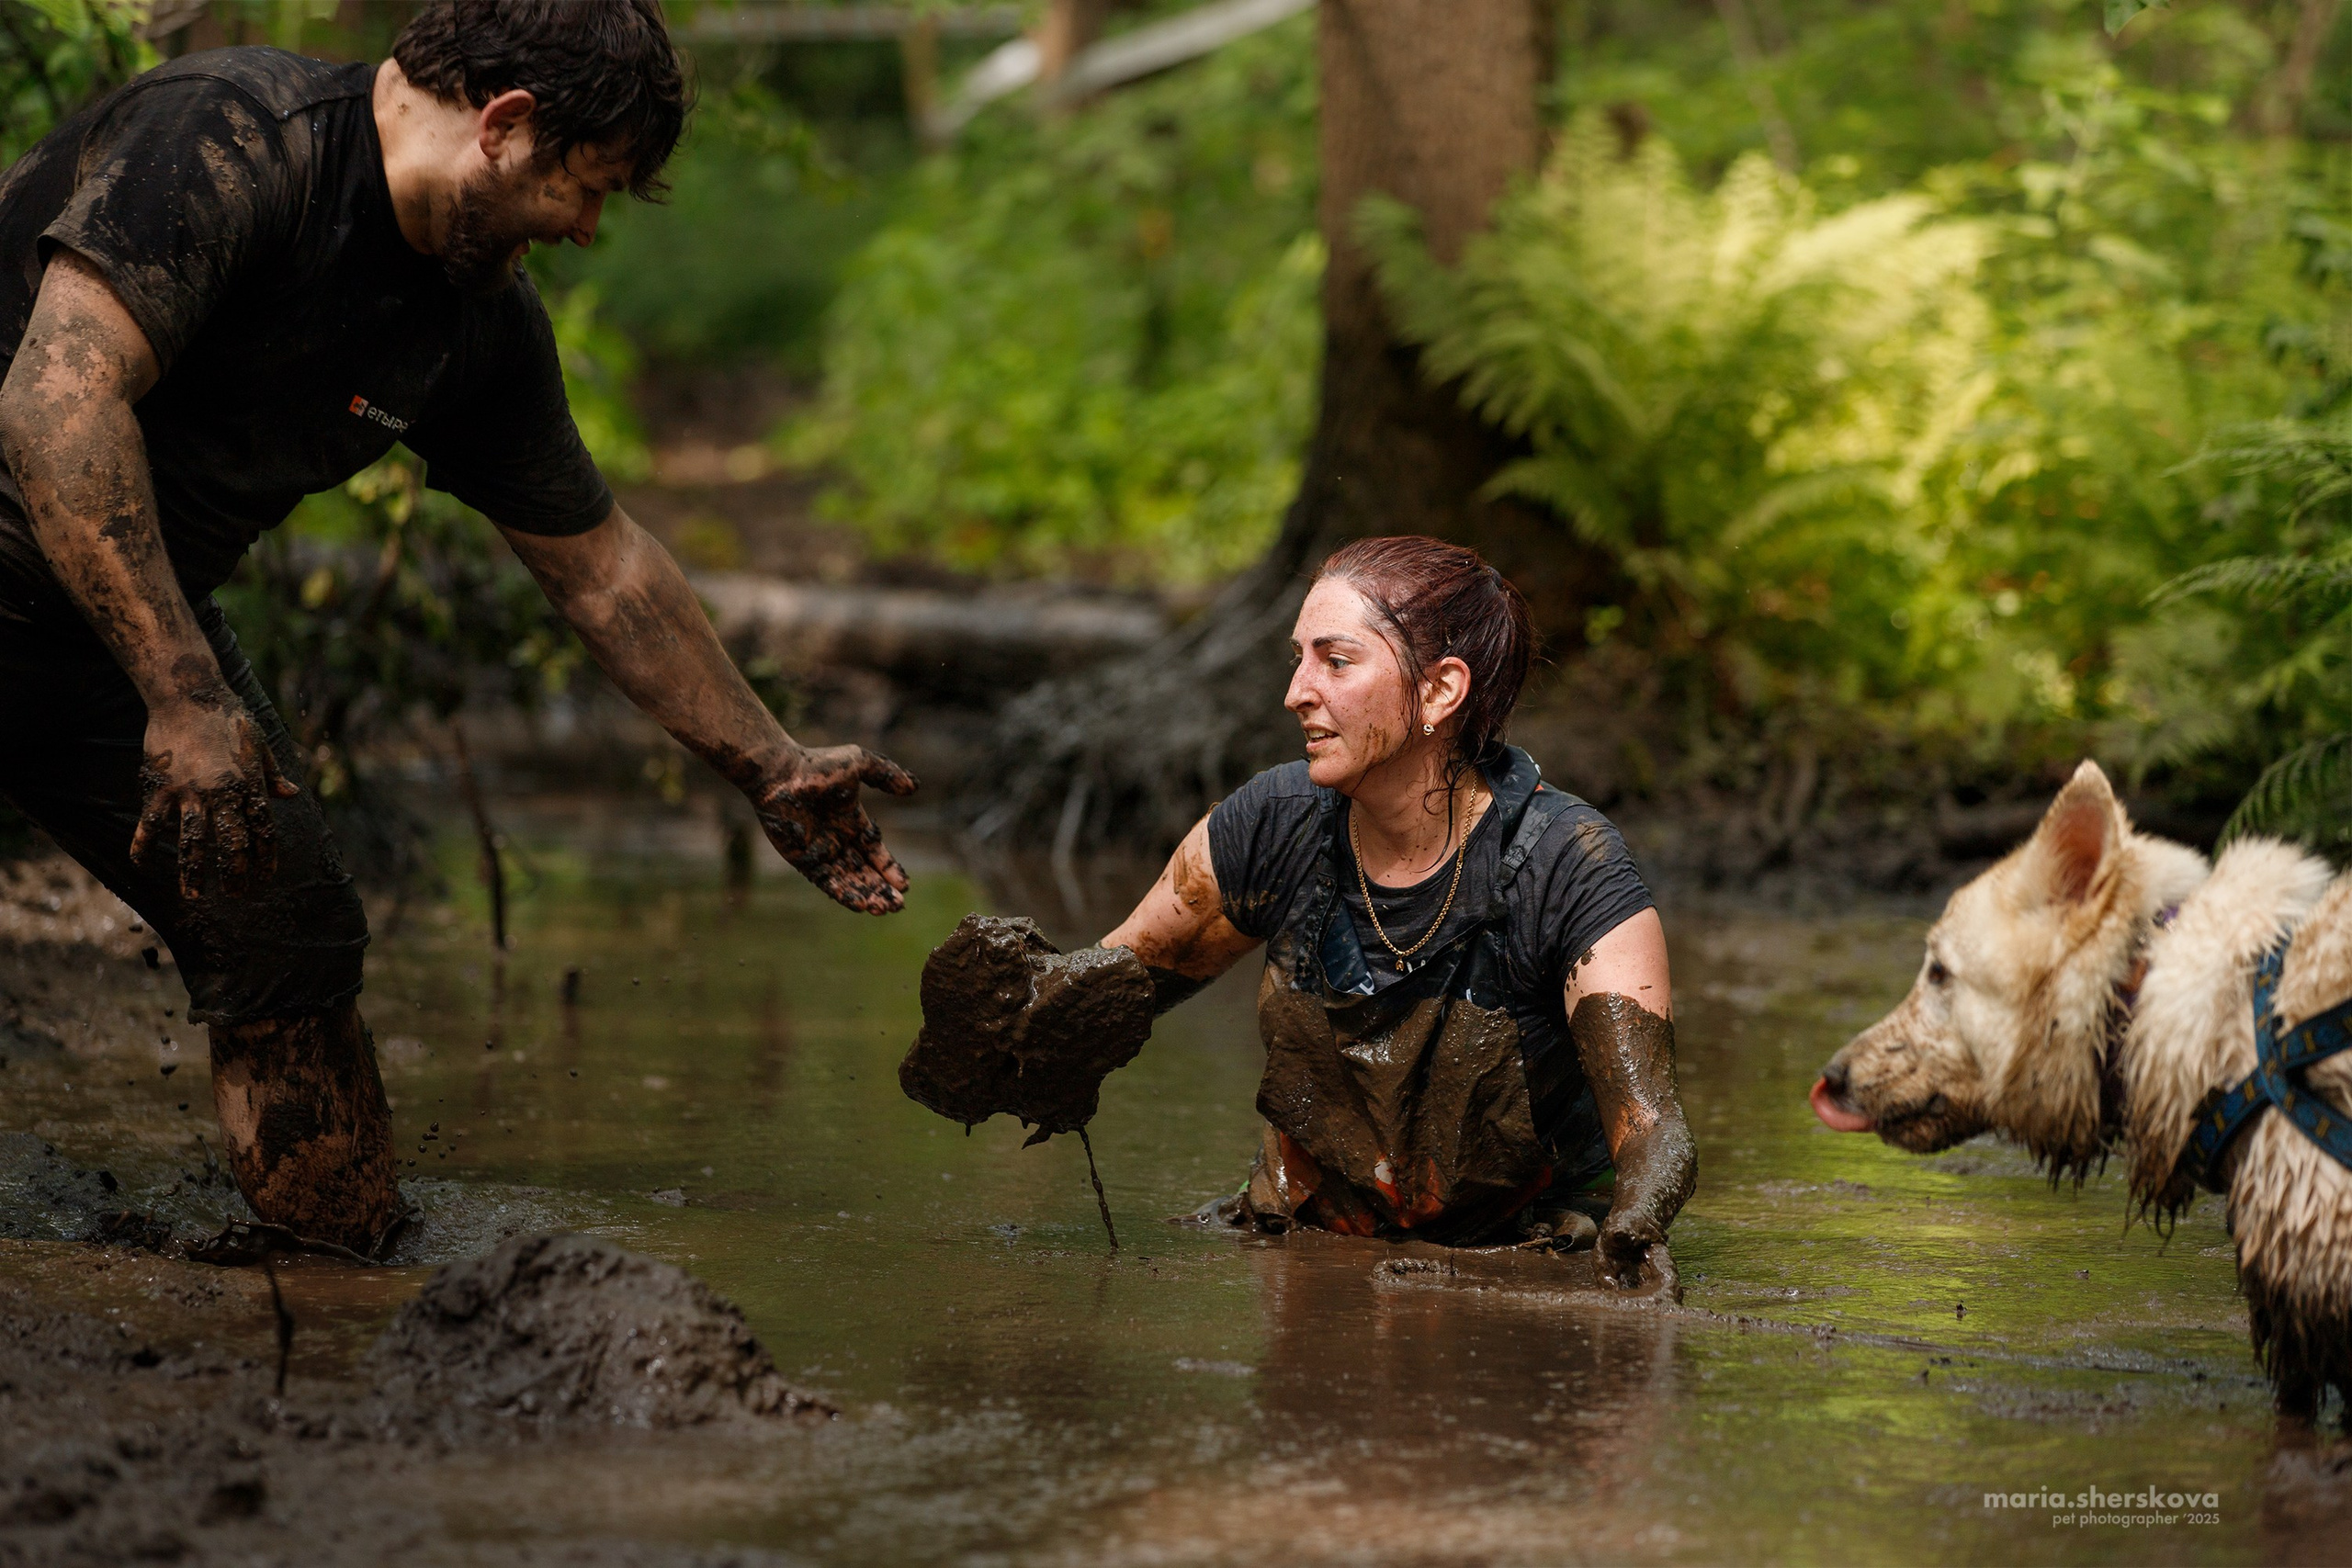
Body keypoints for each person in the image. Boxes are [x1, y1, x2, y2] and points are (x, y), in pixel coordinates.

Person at [0, 1, 915, 1254]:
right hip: (97, 611)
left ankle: (337, 1295)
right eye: (584, 192)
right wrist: (183, 693)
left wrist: (772, 761)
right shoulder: (234, 139)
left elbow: (603, 571)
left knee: (284, 918)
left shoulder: (473, 319)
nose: (588, 230)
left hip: (96, 643)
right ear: (505, 123)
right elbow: (59, 400)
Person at [1098, 536, 1695, 1291]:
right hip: (1306, 1255)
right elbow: (1100, 996)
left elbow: (1651, 1129)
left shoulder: (1570, 865)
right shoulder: (1268, 824)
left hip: (1519, 1271)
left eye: (1336, 661)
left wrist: (1639, 1222)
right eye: (1298, 657)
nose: (1296, 691)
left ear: (1440, 692)